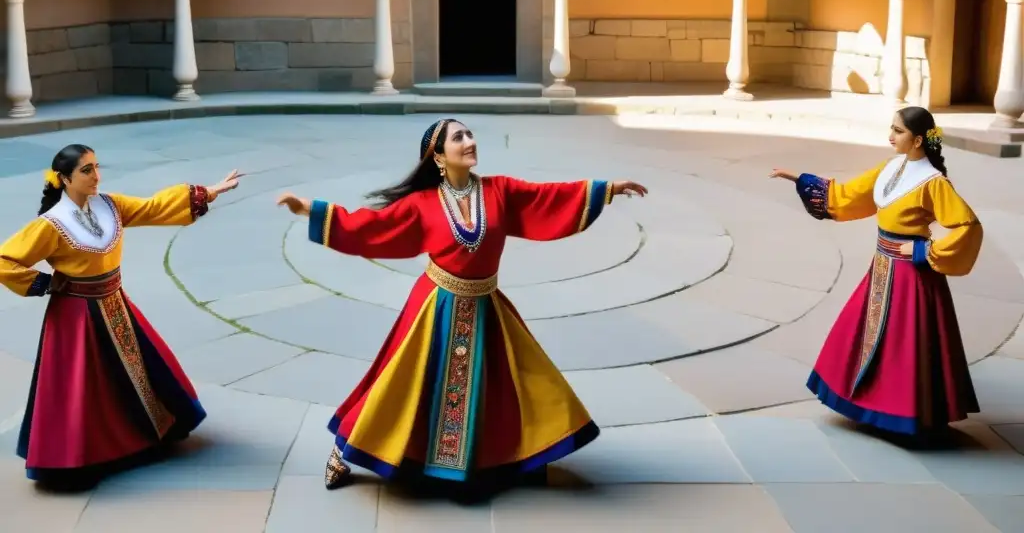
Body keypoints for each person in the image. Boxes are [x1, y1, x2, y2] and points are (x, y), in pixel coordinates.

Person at [277, 118, 648, 491]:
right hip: (434, 308)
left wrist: (607, 189)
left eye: (469, 134)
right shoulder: (422, 204)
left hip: (486, 304)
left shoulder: (499, 190)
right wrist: (311, 209)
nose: (469, 141)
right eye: (459, 138)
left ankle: (518, 454)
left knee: (509, 383)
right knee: (399, 386)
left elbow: (547, 197)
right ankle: (344, 450)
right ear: (438, 156)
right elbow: (372, 226)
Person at [0, 143, 243, 488]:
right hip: (75, 317)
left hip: (115, 305)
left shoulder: (110, 205)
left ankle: (139, 436)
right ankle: (75, 457)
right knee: (81, 387)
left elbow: (154, 207)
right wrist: (43, 282)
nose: (96, 176)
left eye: (97, 167)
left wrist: (208, 192)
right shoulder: (51, 226)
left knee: (134, 375)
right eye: (86, 170)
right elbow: (5, 260)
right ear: (65, 179)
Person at [770, 106, 982, 440]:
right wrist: (800, 178)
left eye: (897, 131)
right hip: (881, 268)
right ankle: (871, 404)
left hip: (913, 277)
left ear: (916, 140)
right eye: (891, 128)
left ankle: (904, 414)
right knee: (863, 333)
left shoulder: (934, 183)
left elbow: (967, 226)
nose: (890, 136)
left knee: (906, 345)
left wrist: (925, 251)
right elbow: (849, 195)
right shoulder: (891, 168)